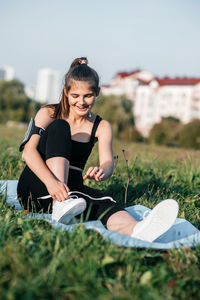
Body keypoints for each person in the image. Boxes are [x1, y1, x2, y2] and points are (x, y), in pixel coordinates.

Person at [17, 57, 179, 242]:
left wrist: (103, 170)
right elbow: (28, 152)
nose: (82, 102)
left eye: (88, 95)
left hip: (72, 190)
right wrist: (53, 185)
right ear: (66, 92)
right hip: (36, 185)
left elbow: (108, 163)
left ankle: (136, 230)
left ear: (97, 92)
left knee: (105, 201)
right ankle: (59, 203)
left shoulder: (102, 126)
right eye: (75, 96)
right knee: (61, 126)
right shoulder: (49, 113)